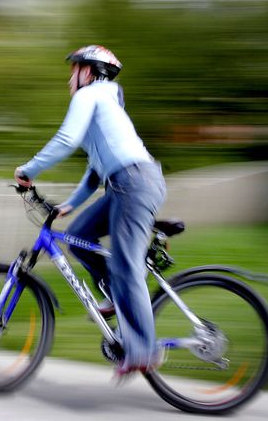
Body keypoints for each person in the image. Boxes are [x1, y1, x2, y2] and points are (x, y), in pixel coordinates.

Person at [14, 45, 167, 377]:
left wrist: (28, 170)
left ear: (90, 72)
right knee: (78, 235)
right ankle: (115, 293)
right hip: (125, 183)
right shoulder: (104, 106)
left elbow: (66, 140)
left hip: (133, 182)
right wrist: (70, 203)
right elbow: (95, 172)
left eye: (75, 69)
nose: (71, 77)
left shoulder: (91, 96)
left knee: (127, 264)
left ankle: (143, 350)